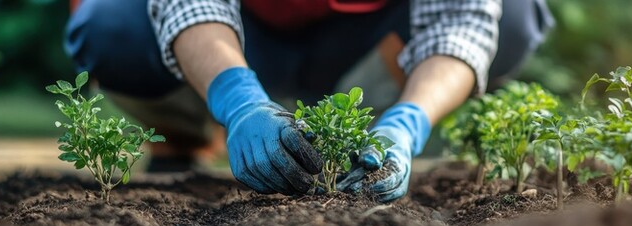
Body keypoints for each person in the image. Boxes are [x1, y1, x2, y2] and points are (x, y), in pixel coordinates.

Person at [65, 0, 553, 202]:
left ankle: (363, 134)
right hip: (239, 30)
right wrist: (238, 101)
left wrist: (408, 122)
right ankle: (187, 136)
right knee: (110, 26)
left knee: (515, 15)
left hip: (366, 41)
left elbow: (461, 19)